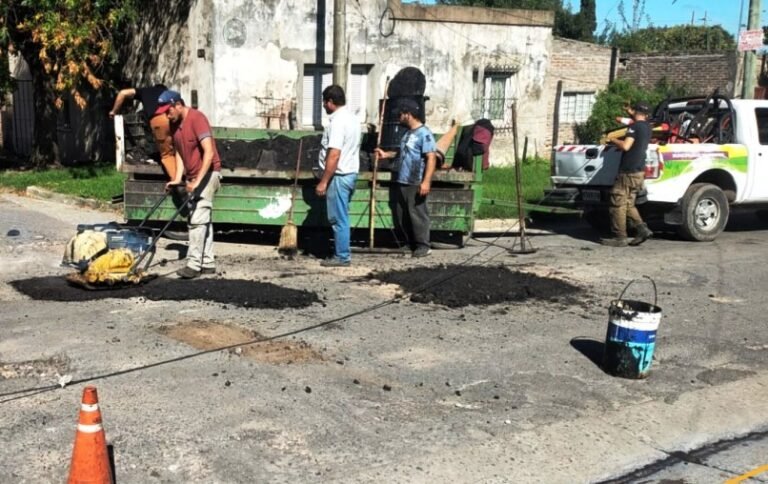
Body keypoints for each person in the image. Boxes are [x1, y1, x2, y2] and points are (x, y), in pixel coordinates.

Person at [155, 90, 222, 278]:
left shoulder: (197, 118)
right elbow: (180, 153)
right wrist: (178, 178)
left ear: (178, 104)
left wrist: (197, 181)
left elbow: (208, 152)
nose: (167, 115)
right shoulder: (175, 126)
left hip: (209, 174)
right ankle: (207, 263)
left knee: (196, 220)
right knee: (203, 221)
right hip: (194, 177)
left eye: (168, 110)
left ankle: (193, 265)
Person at [375, 98, 437, 257]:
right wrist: (386, 154)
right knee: (403, 214)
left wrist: (426, 182)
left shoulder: (425, 134)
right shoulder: (408, 133)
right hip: (402, 179)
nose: (399, 117)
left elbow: (431, 158)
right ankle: (409, 243)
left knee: (417, 214)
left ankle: (423, 245)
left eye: (401, 114)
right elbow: (402, 153)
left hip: (415, 181)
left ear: (408, 114)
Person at [315, 85, 361, 267]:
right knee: (342, 215)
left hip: (339, 176)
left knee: (338, 218)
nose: (324, 106)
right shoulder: (353, 119)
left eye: (325, 102)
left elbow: (334, 154)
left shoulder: (338, 123)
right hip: (350, 173)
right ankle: (341, 253)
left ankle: (342, 256)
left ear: (331, 102)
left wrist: (324, 181)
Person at [601, 101, 654, 247]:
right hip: (639, 171)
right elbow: (634, 120)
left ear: (635, 112)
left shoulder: (634, 127)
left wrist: (612, 140)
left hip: (628, 171)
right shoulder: (647, 128)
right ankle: (642, 229)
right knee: (629, 204)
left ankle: (620, 237)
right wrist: (629, 112)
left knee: (617, 203)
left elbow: (626, 146)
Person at [109, 83, 177, 180]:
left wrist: (114, 111)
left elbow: (123, 93)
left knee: (166, 155)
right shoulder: (168, 93)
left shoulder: (145, 91)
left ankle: (175, 182)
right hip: (172, 119)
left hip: (157, 121)